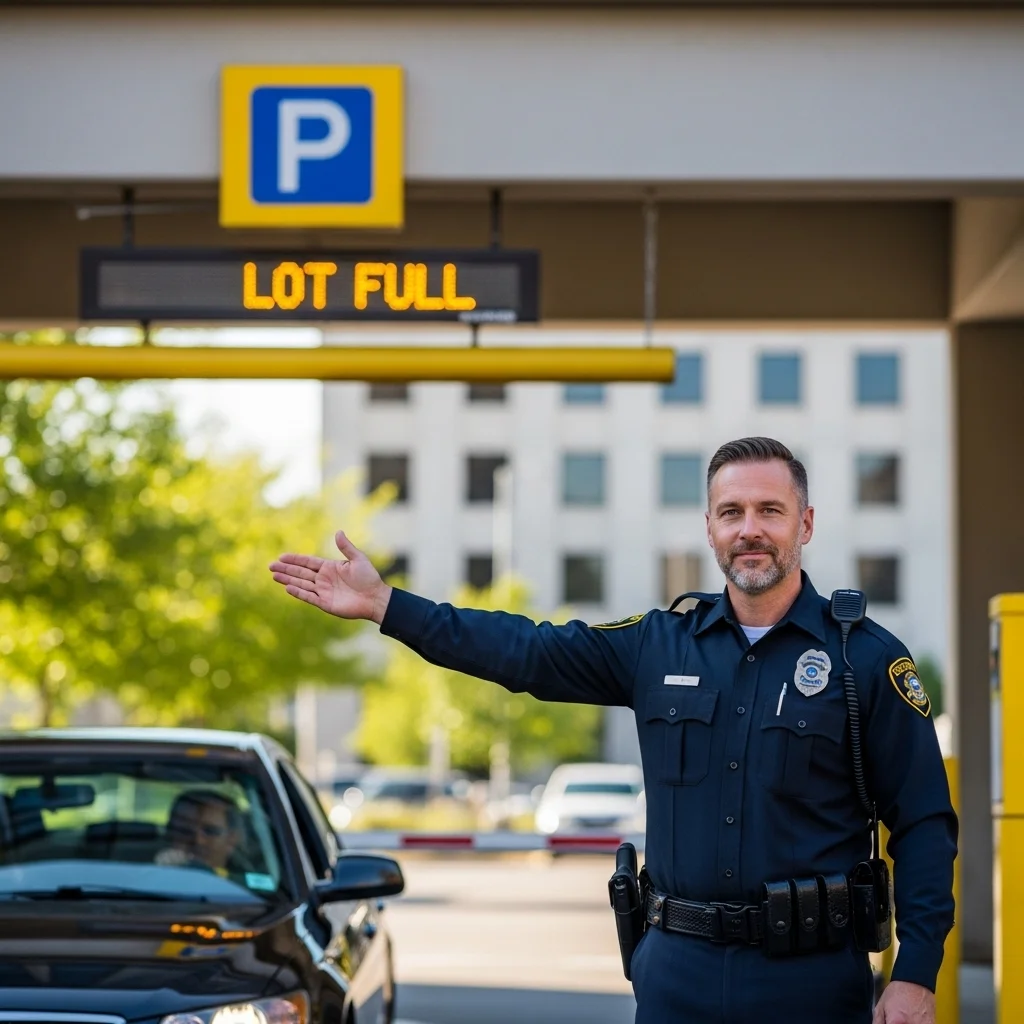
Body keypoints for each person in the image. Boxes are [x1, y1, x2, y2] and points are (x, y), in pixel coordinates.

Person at [269, 436, 956, 1024]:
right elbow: (525, 651)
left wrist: (916, 970)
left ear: (804, 524)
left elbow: (923, 823)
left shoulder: (862, 659)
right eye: (732, 512)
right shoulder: (657, 645)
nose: (750, 528)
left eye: (769, 511)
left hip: (812, 981)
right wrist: (387, 605)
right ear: (710, 528)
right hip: (676, 976)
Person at [155, 791, 240, 877]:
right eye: (185, 830)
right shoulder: (147, 876)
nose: (198, 840)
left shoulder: (244, 883)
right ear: (169, 834)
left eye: (210, 831)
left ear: (231, 840)